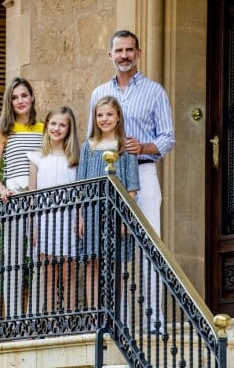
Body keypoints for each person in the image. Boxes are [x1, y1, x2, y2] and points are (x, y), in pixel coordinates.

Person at [88, 30, 175, 334]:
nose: (124, 55)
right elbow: (92, 140)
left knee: (149, 246)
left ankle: (155, 323)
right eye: (118, 50)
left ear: (138, 53)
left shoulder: (154, 91)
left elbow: (168, 138)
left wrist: (145, 147)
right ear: (110, 56)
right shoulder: (98, 94)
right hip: (108, 180)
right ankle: (117, 322)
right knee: (112, 249)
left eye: (129, 50)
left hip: (144, 174)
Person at [0, 77, 44, 318]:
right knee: (13, 261)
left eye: (24, 95)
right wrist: (2, 189)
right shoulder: (2, 131)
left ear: (32, 98)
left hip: (41, 200)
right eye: (14, 97)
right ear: (9, 102)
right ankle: (14, 318)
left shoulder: (44, 128)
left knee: (41, 259)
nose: (20, 101)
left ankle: (34, 316)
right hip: (14, 199)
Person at [78, 95, 140, 309]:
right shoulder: (88, 146)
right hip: (92, 213)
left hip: (116, 213)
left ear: (118, 117)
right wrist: (80, 217)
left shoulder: (126, 146)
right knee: (92, 263)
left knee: (116, 264)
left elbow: (132, 189)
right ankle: (95, 314)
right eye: (100, 115)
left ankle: (115, 313)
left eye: (109, 114)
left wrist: (125, 219)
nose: (104, 119)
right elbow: (80, 185)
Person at [27, 106, 80, 312]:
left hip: (68, 220)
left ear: (69, 129)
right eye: (53, 123)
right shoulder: (36, 158)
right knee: (48, 275)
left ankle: (71, 321)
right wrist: (32, 225)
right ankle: (50, 322)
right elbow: (31, 196)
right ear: (47, 125)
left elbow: (79, 193)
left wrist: (79, 217)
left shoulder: (74, 159)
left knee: (69, 274)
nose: (57, 128)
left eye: (62, 125)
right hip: (45, 221)